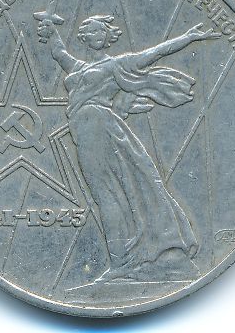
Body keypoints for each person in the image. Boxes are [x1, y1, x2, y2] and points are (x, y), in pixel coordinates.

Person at [37, 15, 220, 282]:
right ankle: (124, 260)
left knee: (108, 194)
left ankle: (122, 261)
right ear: (84, 37)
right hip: (85, 130)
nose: (97, 35)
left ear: (107, 37)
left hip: (101, 127)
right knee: (106, 194)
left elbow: (155, 53)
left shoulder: (117, 64)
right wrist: (50, 27)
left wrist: (188, 37)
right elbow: (59, 52)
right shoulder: (78, 67)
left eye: (101, 31)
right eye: (92, 31)